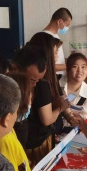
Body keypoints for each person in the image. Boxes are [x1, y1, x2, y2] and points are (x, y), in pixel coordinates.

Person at [25, 32, 69, 162]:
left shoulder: (48, 78)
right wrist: (61, 107)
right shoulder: (41, 83)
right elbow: (47, 119)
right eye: (55, 52)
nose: (57, 57)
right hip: (36, 142)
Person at [11, 45, 47, 148]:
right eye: (32, 80)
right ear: (15, 68)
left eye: (38, 80)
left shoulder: (28, 88)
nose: (35, 85)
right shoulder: (5, 91)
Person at [59, 53, 87, 132]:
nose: (80, 71)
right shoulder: (57, 84)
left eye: (83, 67)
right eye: (75, 66)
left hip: (73, 131)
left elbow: (85, 118)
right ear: (68, 68)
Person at [41, 7, 73, 73]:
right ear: (59, 21)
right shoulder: (45, 38)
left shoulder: (55, 36)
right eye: (67, 25)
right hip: (53, 77)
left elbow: (56, 60)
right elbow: (46, 65)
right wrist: (71, 65)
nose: (67, 28)